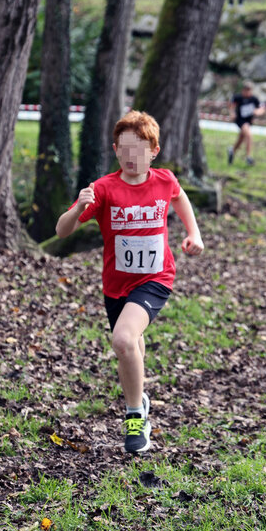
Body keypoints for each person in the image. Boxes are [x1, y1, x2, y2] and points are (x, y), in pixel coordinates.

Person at [56, 111, 205, 453]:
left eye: (138, 150)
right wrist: (78, 207)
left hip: (156, 277)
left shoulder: (164, 180)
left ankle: (135, 416)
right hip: (116, 284)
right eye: (124, 150)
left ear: (154, 150)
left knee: (123, 339)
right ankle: (141, 399)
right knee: (132, 347)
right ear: (115, 150)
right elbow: (62, 231)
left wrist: (194, 233)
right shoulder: (103, 189)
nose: (131, 157)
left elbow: (180, 197)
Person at [227, 81, 265, 166]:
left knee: (241, 138)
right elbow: (231, 105)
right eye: (246, 90)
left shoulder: (254, 99)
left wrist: (258, 111)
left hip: (248, 121)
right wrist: (232, 113)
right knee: (248, 135)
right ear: (243, 90)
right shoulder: (238, 97)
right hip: (240, 120)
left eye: (249, 90)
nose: (247, 92)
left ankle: (232, 150)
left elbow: (262, 108)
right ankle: (248, 157)